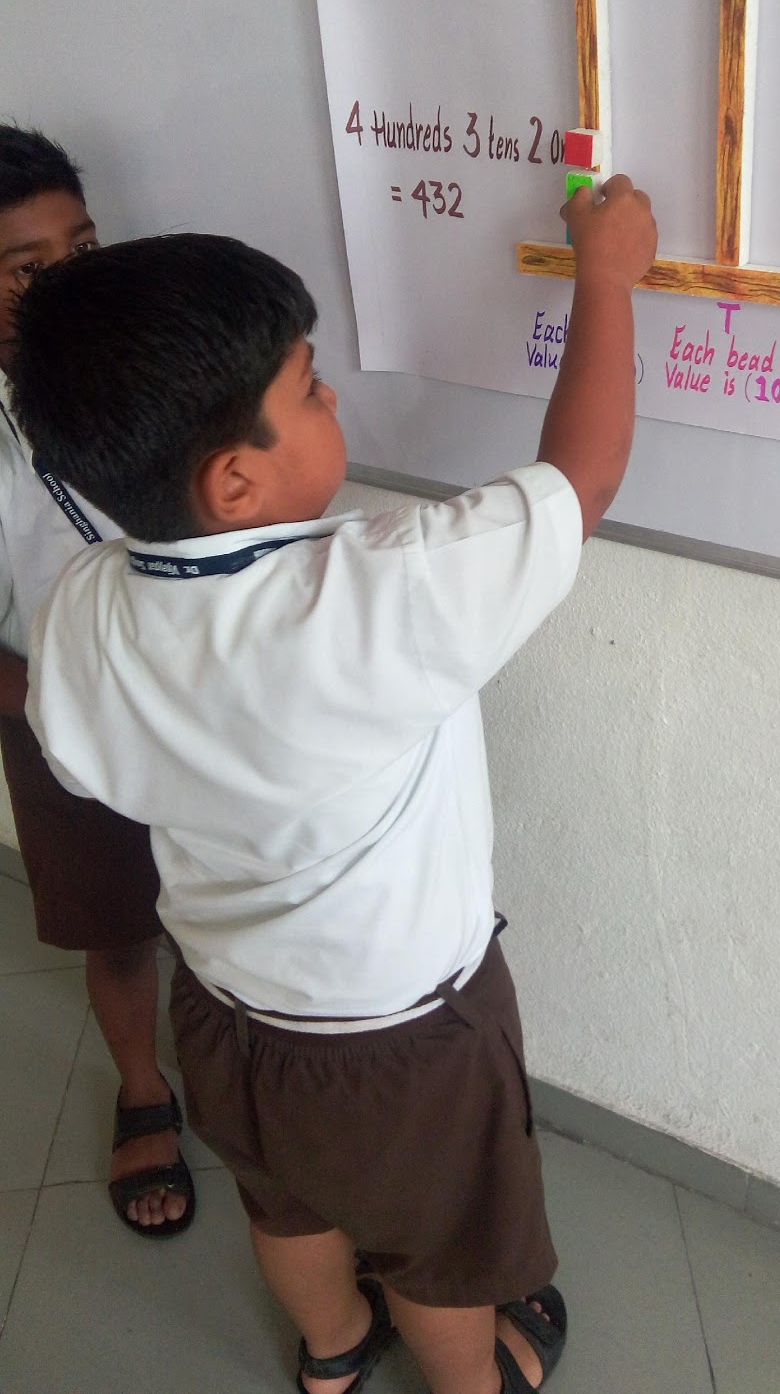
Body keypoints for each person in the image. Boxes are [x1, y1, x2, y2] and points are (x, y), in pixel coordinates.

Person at [12, 174, 657, 1394]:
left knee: (286, 1201)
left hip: (223, 1011)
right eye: (309, 388)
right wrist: (608, 274)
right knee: (440, 1247)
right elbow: (584, 479)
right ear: (234, 481)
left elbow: (80, 758)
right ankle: (472, 1381)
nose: (335, 398)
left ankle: (330, 1355)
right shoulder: (376, 590)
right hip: (402, 1041)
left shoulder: (84, 602)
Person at [0, 125, 195, 1236]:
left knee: (230, 900)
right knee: (118, 921)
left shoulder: (145, 364)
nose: (69, 283)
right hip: (55, 714)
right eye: (26, 270)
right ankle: (142, 1086)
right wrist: (61, 710)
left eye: (81, 249)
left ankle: (241, 1077)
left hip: (199, 692)